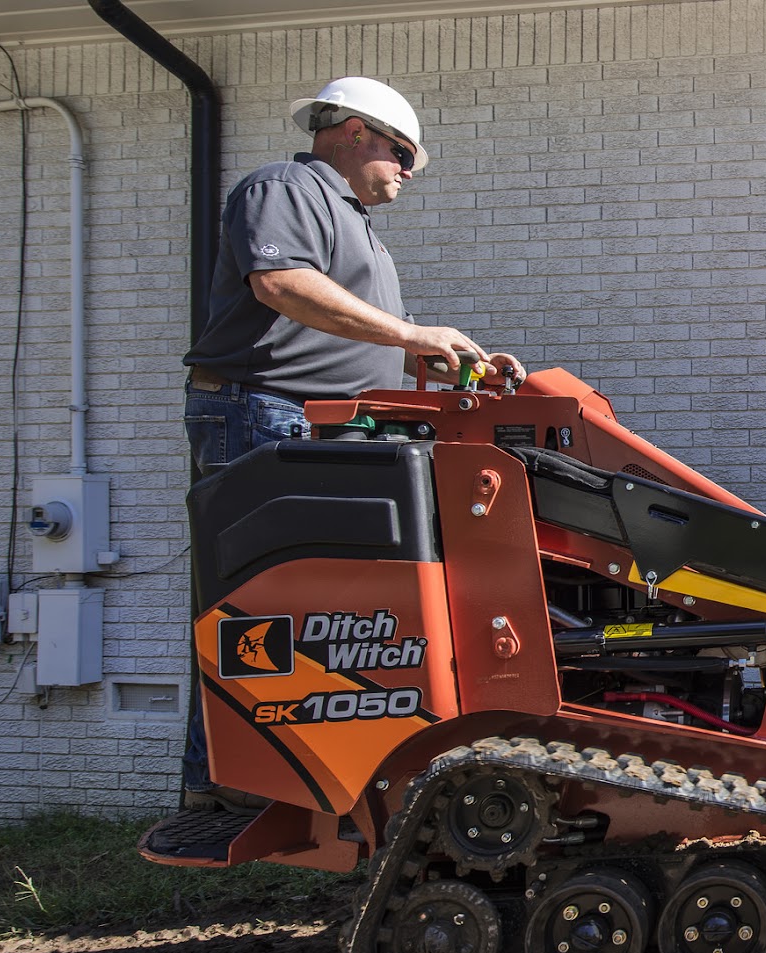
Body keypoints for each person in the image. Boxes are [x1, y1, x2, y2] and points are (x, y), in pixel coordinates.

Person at [179, 76, 526, 810]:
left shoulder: (352, 221)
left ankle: (282, 777)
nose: (408, 170)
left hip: (317, 422)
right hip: (268, 412)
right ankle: (231, 785)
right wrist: (410, 333)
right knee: (259, 605)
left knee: (312, 609)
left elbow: (357, 337)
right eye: (403, 153)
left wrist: (452, 361)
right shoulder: (284, 188)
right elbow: (280, 285)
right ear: (355, 130)